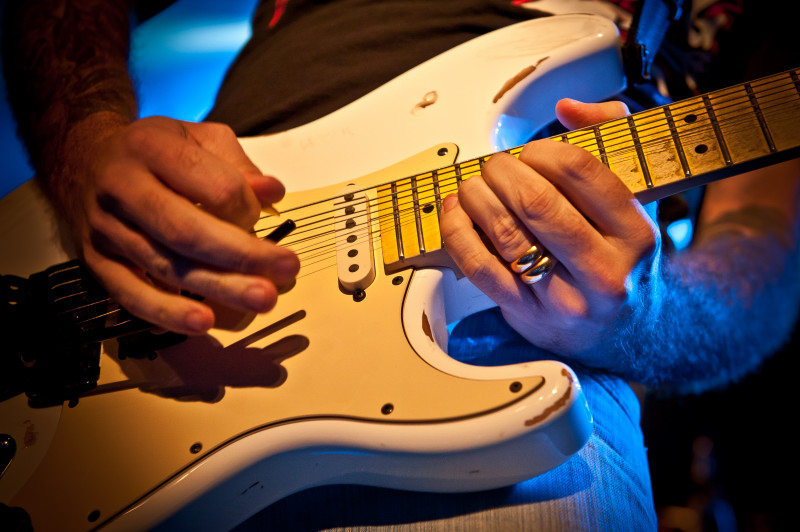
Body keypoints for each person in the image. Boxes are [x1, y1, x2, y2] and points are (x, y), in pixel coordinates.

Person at [1, 0, 798, 530]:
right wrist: (85, 144)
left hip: (522, 376)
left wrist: (642, 320)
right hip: (189, 261)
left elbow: (762, 259)